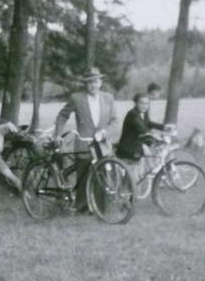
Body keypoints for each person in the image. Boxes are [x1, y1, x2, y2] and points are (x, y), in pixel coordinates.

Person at [53, 67, 118, 210]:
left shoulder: (108, 98)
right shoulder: (76, 98)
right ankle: (81, 208)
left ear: (100, 82)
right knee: (83, 174)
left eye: (95, 82)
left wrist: (105, 132)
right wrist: (58, 134)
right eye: (89, 82)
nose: (93, 85)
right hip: (84, 143)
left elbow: (114, 121)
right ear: (85, 84)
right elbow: (62, 116)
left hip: (102, 144)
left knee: (102, 174)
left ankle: (100, 208)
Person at [116, 93, 166, 178]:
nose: (144, 106)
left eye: (147, 103)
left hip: (137, 144)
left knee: (152, 151)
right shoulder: (132, 115)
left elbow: (148, 123)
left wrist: (164, 127)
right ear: (135, 103)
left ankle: (150, 173)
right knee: (134, 177)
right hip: (129, 148)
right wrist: (157, 137)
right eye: (141, 103)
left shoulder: (143, 113)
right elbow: (142, 128)